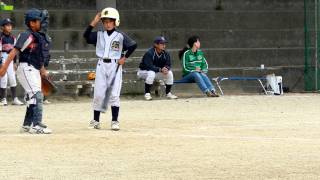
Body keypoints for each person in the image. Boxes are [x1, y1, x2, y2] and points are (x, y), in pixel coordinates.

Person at [83, 7, 137, 130]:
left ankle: (114, 121)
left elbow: (133, 45)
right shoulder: (99, 35)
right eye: (105, 21)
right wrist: (94, 22)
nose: (107, 24)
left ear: (115, 22)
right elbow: (86, 36)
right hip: (101, 64)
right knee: (98, 94)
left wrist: (124, 57)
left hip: (115, 65)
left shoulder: (120, 35)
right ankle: (96, 120)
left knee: (114, 94)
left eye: (110, 21)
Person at [0, 8, 52, 134]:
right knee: (36, 95)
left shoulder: (39, 36)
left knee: (32, 97)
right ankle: (36, 125)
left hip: (34, 69)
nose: (42, 23)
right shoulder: (26, 35)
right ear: (32, 23)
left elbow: (39, 57)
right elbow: (14, 51)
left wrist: (43, 71)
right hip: (25, 68)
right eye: (39, 20)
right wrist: (4, 68)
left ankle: (27, 125)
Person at [137, 36, 178, 100]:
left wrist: (166, 69)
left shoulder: (165, 53)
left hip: (156, 72)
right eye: (162, 44)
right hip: (143, 72)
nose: (164, 45)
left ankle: (168, 93)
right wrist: (160, 69)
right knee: (151, 73)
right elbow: (149, 66)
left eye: (164, 44)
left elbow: (168, 64)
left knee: (169, 73)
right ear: (156, 44)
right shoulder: (149, 53)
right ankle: (147, 94)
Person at [0, 18, 24, 106]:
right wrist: (0, 63)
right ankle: (3, 99)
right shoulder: (1, 37)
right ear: (2, 27)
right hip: (2, 58)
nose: (9, 27)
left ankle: (15, 99)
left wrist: (14, 62)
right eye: (7, 25)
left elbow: (14, 51)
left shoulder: (13, 38)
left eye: (10, 25)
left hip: (10, 59)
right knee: (4, 78)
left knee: (12, 78)